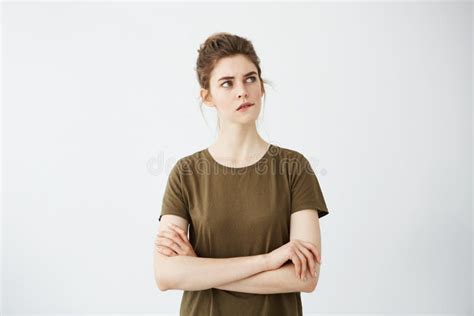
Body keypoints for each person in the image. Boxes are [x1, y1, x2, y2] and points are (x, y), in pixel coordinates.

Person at [153, 32, 329, 316]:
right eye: (227, 83)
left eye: (250, 78)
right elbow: (166, 275)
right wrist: (270, 261)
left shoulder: (294, 168)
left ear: (262, 87)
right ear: (207, 96)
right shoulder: (185, 173)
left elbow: (305, 277)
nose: (242, 91)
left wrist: (200, 268)